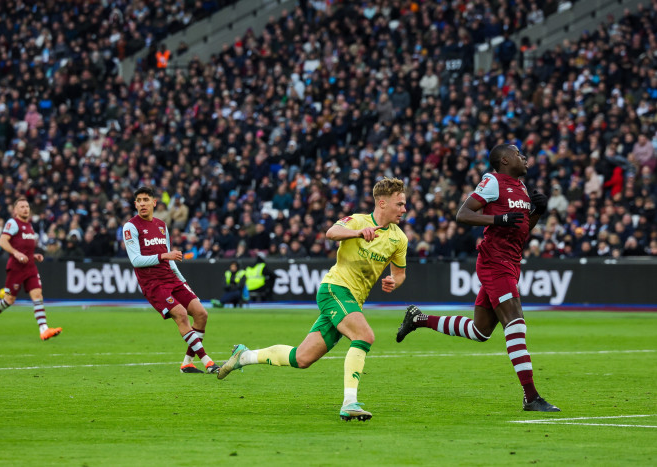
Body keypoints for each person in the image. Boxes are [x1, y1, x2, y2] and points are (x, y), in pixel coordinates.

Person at [217, 177, 409, 421]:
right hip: (335, 289)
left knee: (302, 358)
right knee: (364, 336)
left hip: (352, 300)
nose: (404, 209)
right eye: (400, 204)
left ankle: (244, 356)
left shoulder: (399, 238)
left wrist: (395, 282)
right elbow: (331, 232)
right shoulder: (358, 220)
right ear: (382, 203)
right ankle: (350, 402)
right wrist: (358, 233)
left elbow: (400, 273)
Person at [396, 144, 560, 412]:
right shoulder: (494, 181)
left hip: (510, 262)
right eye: (519, 154)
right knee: (516, 323)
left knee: (480, 331)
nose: (525, 157)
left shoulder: (521, 188)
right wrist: (498, 219)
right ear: (505, 160)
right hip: (496, 262)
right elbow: (463, 214)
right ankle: (531, 397)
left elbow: (520, 230)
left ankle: (419, 319)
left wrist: (537, 213)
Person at [122, 186, 219, 374]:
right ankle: (208, 362)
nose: (142, 204)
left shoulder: (161, 225)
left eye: (146, 200)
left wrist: (183, 281)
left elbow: (170, 259)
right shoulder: (131, 227)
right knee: (181, 315)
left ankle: (187, 363)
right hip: (153, 284)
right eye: (139, 201)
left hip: (172, 278)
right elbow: (136, 260)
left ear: (154, 202)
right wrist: (164, 256)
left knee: (201, 314)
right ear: (135, 204)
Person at [0, 197, 62, 341]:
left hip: (30, 267)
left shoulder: (29, 226)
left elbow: (24, 248)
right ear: (15, 210)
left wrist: (34, 256)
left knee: (37, 295)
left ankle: (44, 330)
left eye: (27, 206)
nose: (25, 209)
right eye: (22, 206)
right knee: (8, 300)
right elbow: (2, 241)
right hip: (16, 268)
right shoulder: (13, 223)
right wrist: (16, 253)